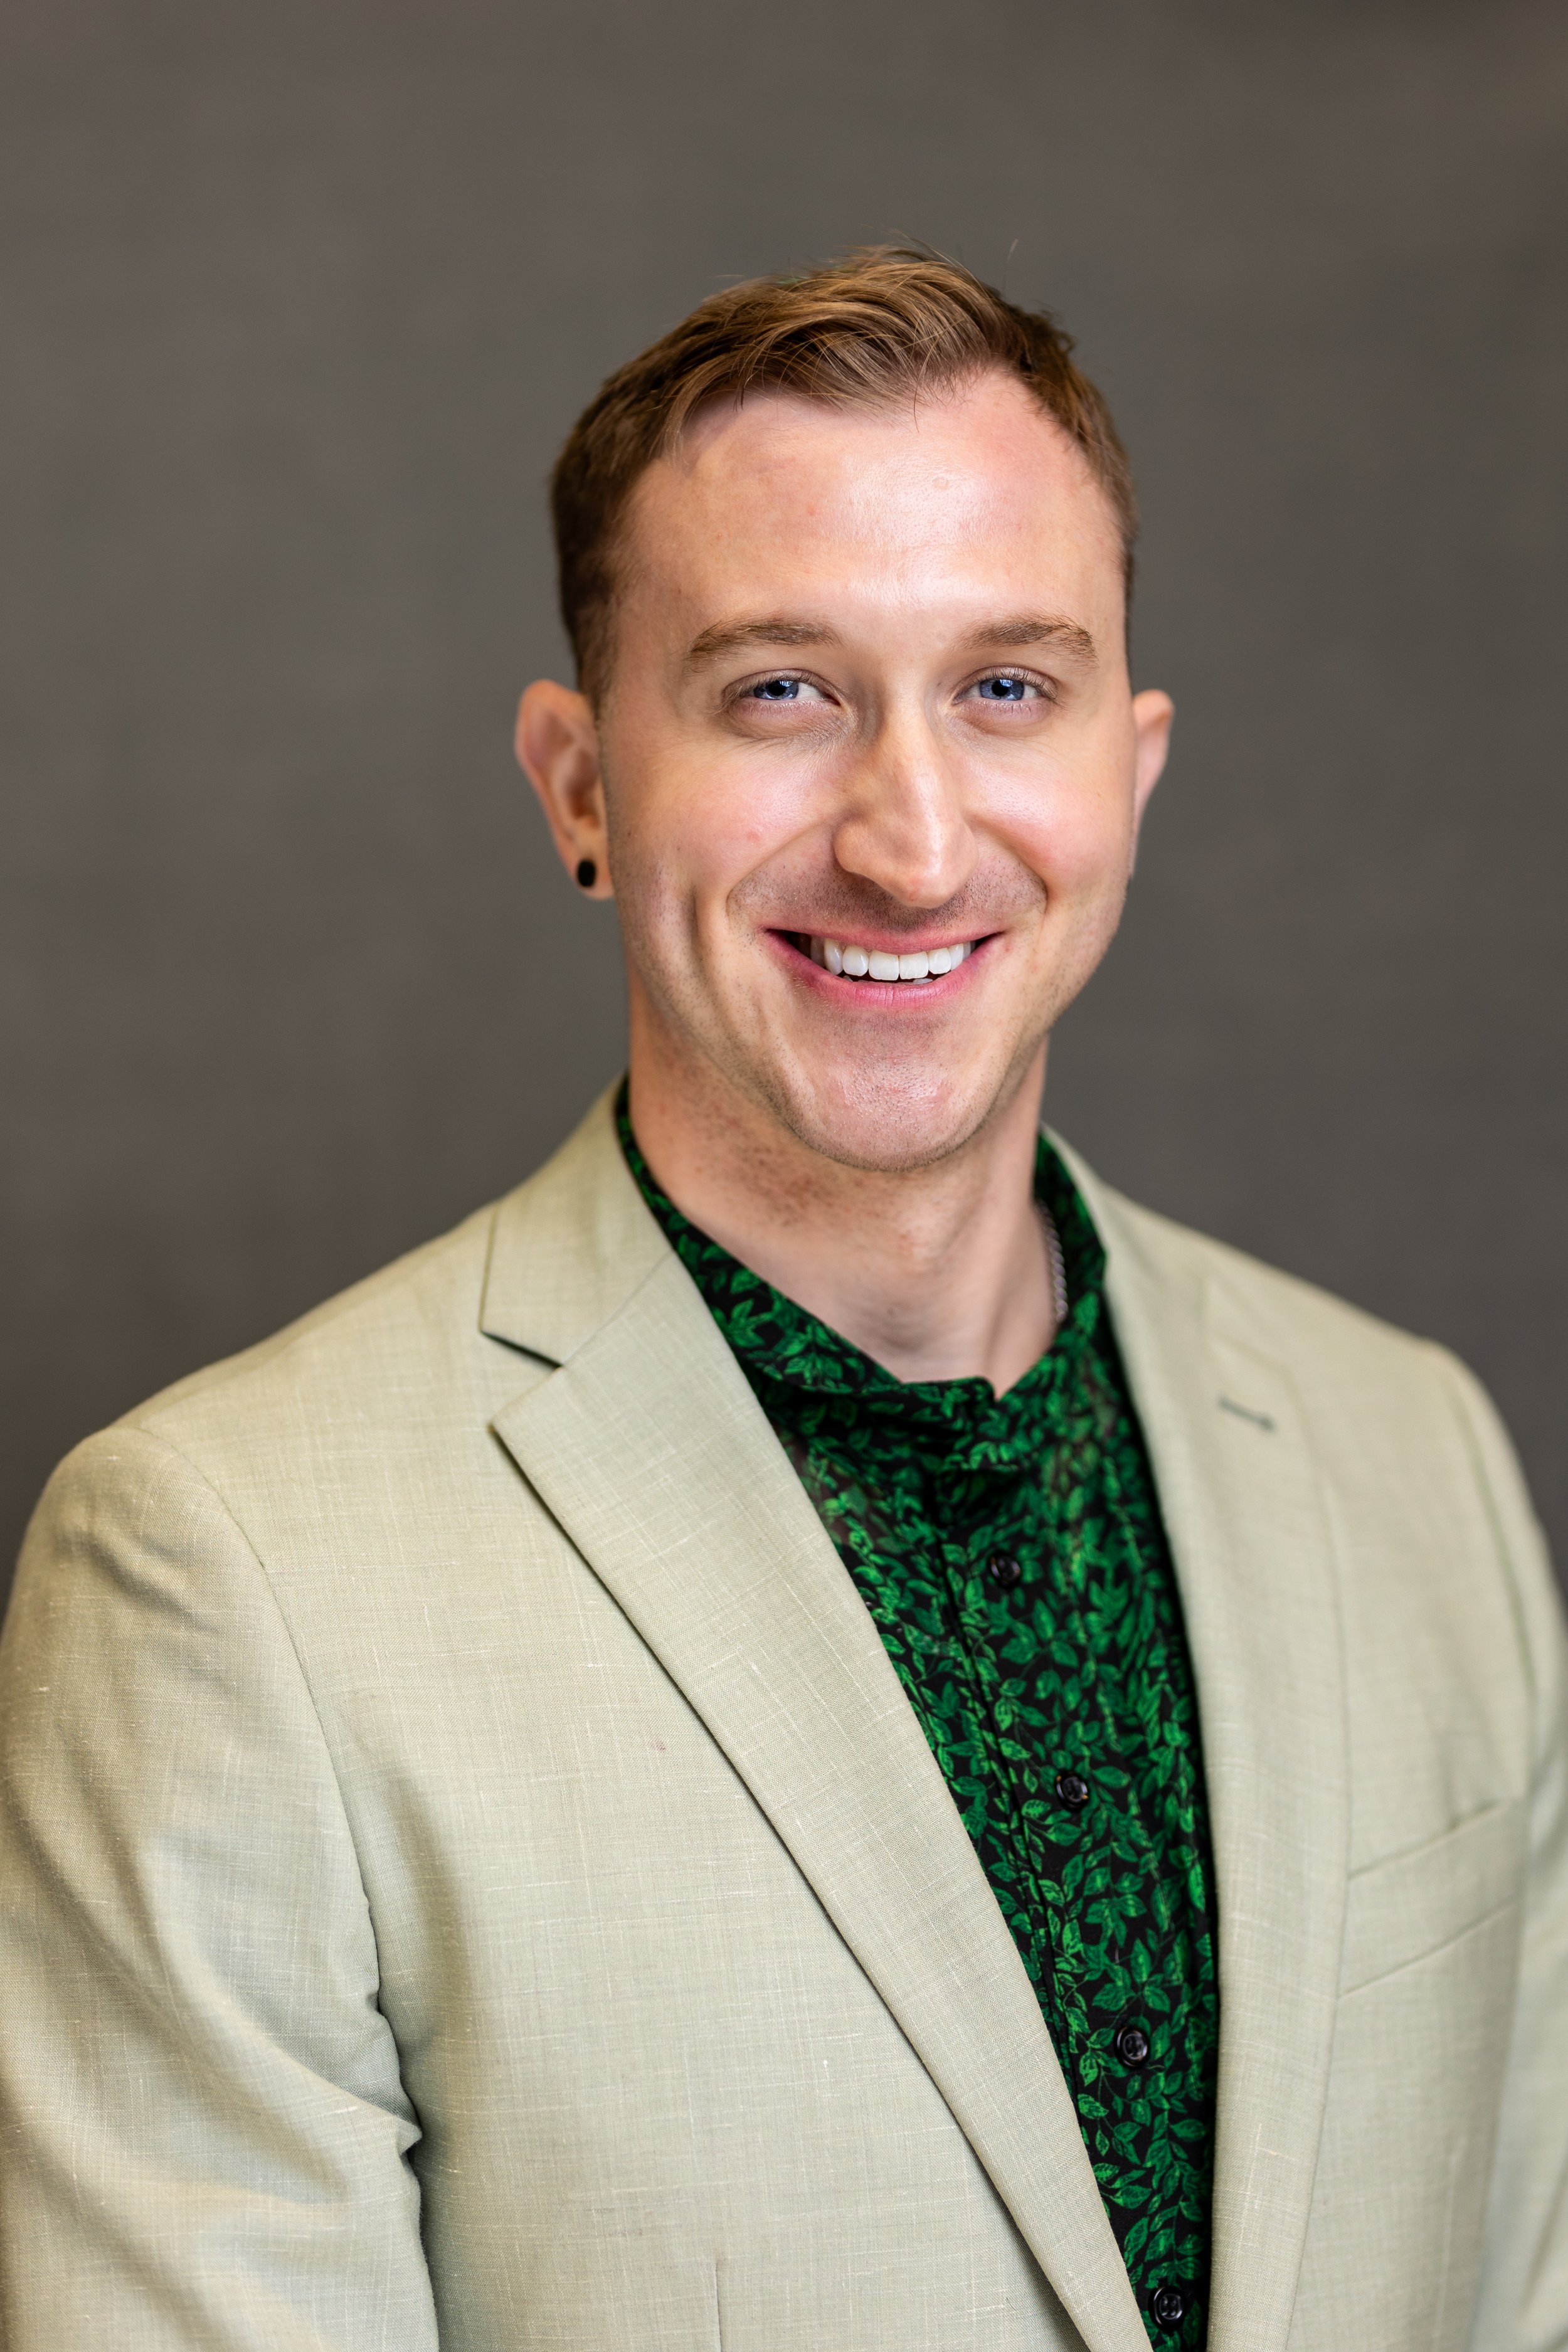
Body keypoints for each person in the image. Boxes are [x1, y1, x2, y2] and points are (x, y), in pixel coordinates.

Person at [0, 249, 1562, 2352]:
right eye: (778, 691)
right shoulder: (219, 1574)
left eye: (1010, 686)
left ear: (1134, 766)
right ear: (576, 783)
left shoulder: (1416, 1456)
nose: (912, 844)